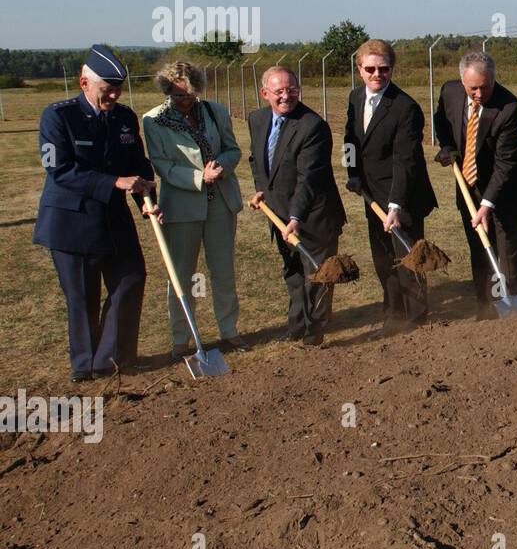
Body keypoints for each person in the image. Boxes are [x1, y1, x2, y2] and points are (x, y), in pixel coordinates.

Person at [33, 45, 160, 381]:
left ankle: (115, 357)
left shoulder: (125, 117)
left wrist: (149, 202)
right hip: (71, 222)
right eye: (107, 89)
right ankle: (86, 366)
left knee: (131, 278)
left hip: (113, 219)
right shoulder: (58, 116)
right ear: (84, 83)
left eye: (118, 88)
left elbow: (138, 165)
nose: (114, 95)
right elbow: (58, 169)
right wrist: (114, 181)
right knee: (83, 295)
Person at [141, 61, 248, 357]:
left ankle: (230, 331)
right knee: (181, 275)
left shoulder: (215, 112)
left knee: (223, 271)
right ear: (167, 91)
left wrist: (221, 168)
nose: (184, 100)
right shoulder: (153, 121)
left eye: (189, 94)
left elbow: (233, 149)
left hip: (221, 204)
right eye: (178, 95)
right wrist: (200, 177)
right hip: (182, 207)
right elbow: (162, 165)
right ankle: (181, 337)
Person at [247, 66, 346, 346]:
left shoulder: (312, 126)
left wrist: (295, 216)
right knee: (292, 272)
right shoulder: (257, 119)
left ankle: (315, 332)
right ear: (265, 93)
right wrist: (261, 190)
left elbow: (309, 178)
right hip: (279, 213)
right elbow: (257, 160)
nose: (286, 96)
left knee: (317, 274)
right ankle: (296, 327)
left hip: (313, 215)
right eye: (278, 91)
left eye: (292, 90)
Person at [433, 51, 517, 318]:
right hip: (470, 185)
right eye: (473, 88)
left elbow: (505, 165)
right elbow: (441, 120)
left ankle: (514, 297)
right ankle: (485, 304)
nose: (479, 93)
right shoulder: (450, 92)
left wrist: (487, 205)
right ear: (461, 81)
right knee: (479, 247)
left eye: (485, 87)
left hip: (507, 188)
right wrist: (447, 146)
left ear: (494, 79)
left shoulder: (510, 109)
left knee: (507, 248)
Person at [344, 39, 437, 330]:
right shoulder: (355, 98)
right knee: (383, 259)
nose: (376, 75)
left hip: (404, 195)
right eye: (369, 69)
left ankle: (417, 320)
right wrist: (352, 173)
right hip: (372, 194)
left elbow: (405, 161)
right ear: (359, 69)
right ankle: (393, 316)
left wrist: (395, 205)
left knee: (409, 260)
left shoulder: (405, 108)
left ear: (392, 69)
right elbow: (350, 139)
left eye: (383, 69)